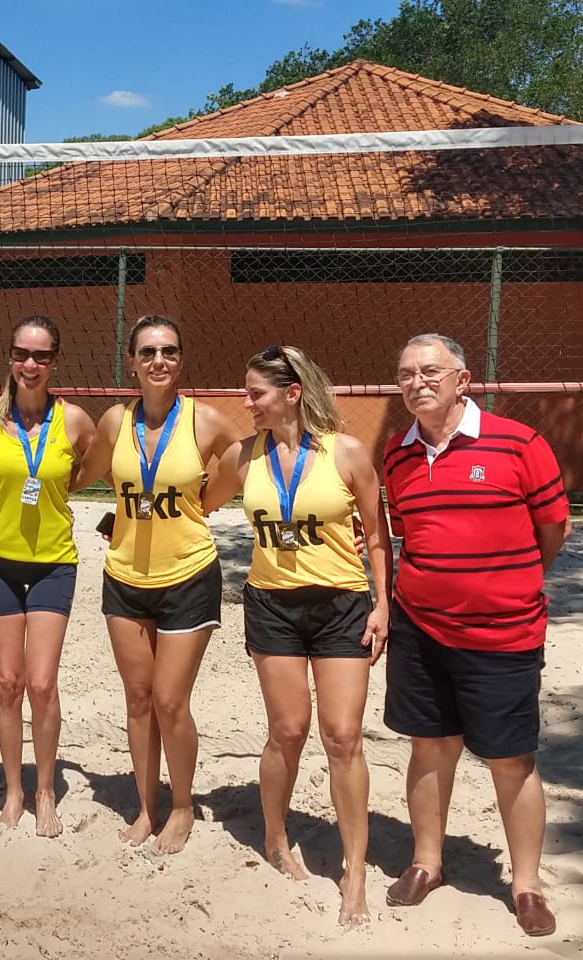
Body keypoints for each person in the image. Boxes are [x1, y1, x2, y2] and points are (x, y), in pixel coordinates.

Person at [380, 333, 570, 936]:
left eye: (431, 371)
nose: (417, 382)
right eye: (406, 374)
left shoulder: (519, 443)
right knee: (430, 747)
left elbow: (554, 526)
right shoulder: (397, 454)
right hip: (420, 628)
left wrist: (512, 584)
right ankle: (427, 862)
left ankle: (527, 886)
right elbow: (409, 533)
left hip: (504, 632)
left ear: (463, 380)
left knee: (511, 759)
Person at [203, 344, 391, 925]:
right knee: (287, 729)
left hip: (340, 606)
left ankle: (354, 871)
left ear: (291, 394)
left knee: (342, 736)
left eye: (254, 392)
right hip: (272, 607)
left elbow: (380, 537)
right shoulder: (243, 455)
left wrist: (383, 603)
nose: (246, 402)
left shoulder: (349, 453)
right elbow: (195, 504)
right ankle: (277, 839)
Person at [71, 314, 244, 854]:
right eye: (147, 352)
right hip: (124, 575)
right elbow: (83, 475)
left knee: (171, 700)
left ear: (181, 359)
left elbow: (245, 467)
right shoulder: (113, 422)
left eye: (168, 351)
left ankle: (184, 806)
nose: (158, 361)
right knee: (139, 698)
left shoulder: (207, 422)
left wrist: (199, 505)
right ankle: (147, 808)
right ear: (132, 362)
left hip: (189, 573)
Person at [0, 316, 95, 837]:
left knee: (42, 682)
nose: (30, 364)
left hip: (54, 560)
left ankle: (46, 789)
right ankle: (13, 788)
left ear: (56, 362)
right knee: (8, 683)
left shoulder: (74, 420)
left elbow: (93, 469)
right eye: (21, 354)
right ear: (9, 357)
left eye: (41, 356)